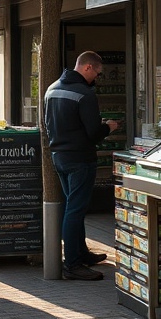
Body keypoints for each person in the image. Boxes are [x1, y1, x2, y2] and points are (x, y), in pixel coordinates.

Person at [44, 50, 120, 281]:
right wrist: (109, 127)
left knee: (71, 208)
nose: (96, 78)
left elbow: (47, 122)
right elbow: (94, 133)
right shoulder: (84, 94)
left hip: (59, 155)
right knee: (75, 211)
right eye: (96, 73)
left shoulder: (52, 88)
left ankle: (82, 254)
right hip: (80, 159)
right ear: (87, 67)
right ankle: (73, 264)